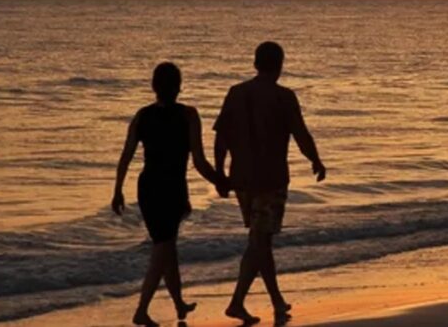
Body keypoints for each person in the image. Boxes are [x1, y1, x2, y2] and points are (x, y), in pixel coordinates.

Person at [214, 41, 326, 325]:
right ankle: (237, 303)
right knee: (259, 241)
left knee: (260, 241)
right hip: (271, 180)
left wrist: (219, 174)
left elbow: (221, 138)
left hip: (241, 179)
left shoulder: (236, 93)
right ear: (279, 65)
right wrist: (316, 160)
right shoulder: (284, 97)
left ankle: (275, 300)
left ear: (255, 64)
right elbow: (301, 133)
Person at [112, 62, 227, 327]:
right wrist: (221, 181)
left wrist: (117, 189)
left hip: (148, 187)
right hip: (171, 188)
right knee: (163, 248)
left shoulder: (142, 115)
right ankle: (141, 310)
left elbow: (126, 155)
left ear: (154, 87)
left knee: (167, 246)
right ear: (179, 86)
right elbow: (198, 161)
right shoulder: (188, 115)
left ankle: (178, 303)